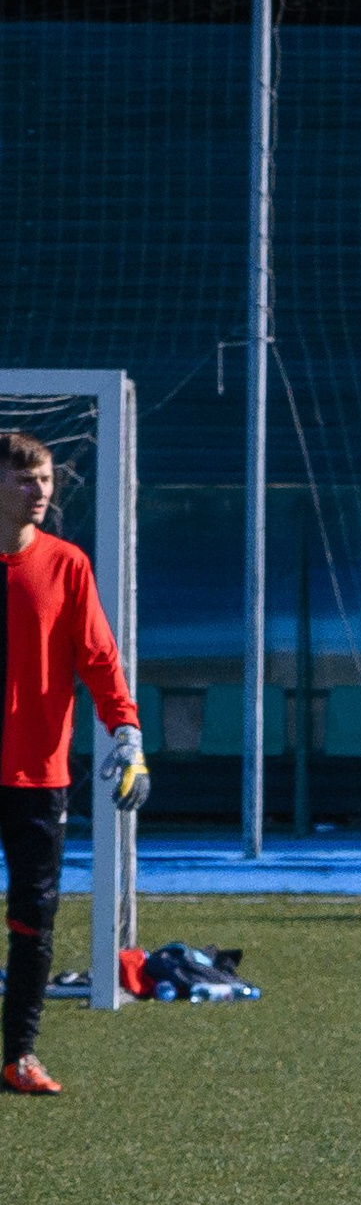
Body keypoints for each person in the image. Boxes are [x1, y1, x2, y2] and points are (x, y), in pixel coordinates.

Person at [0, 432, 149, 1094]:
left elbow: (98, 657)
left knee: (34, 920)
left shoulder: (67, 565)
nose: (41, 492)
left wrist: (127, 731)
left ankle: (19, 1056)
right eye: (26, 479)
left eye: (47, 480)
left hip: (38, 774)